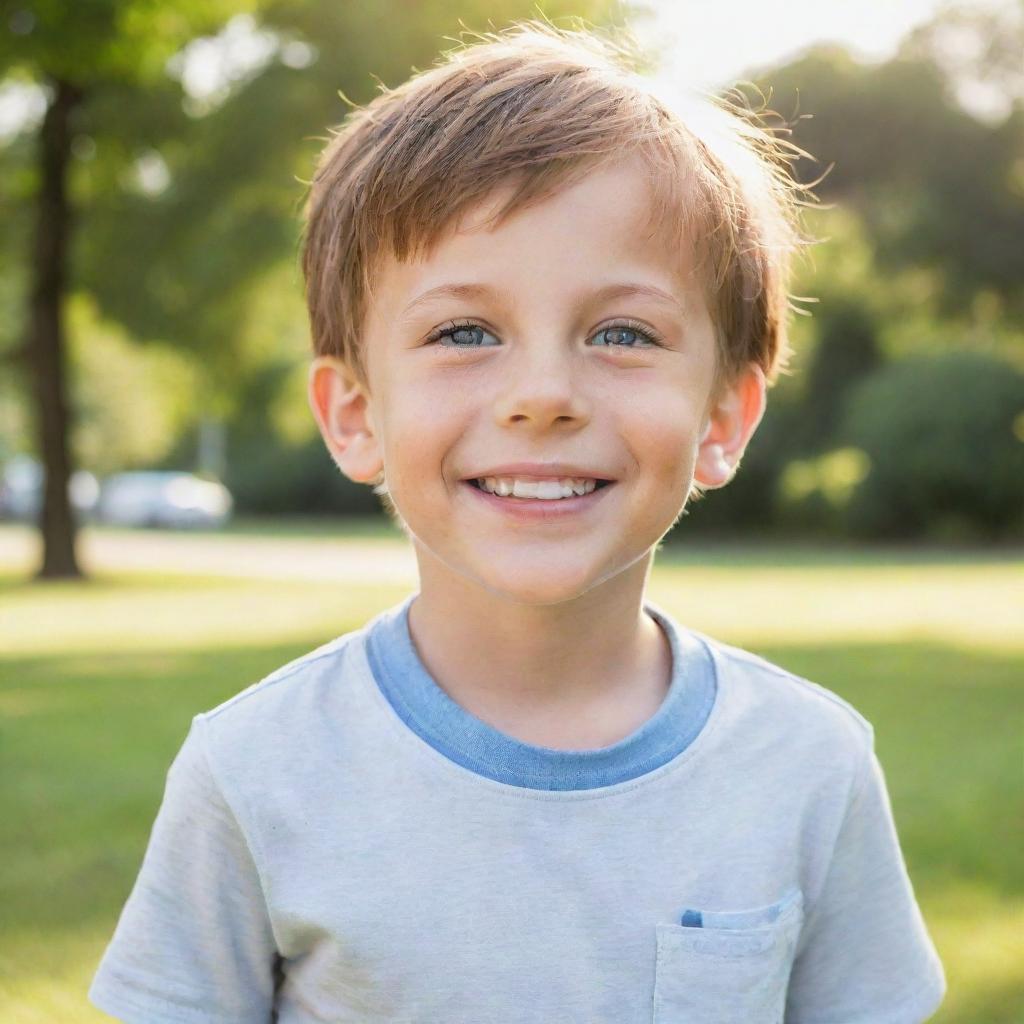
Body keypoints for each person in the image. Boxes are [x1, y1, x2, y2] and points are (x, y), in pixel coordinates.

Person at [89, 20, 947, 1023]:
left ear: (722, 418)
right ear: (357, 416)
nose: (542, 395)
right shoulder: (253, 770)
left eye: (622, 332)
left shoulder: (810, 765)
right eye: (464, 332)